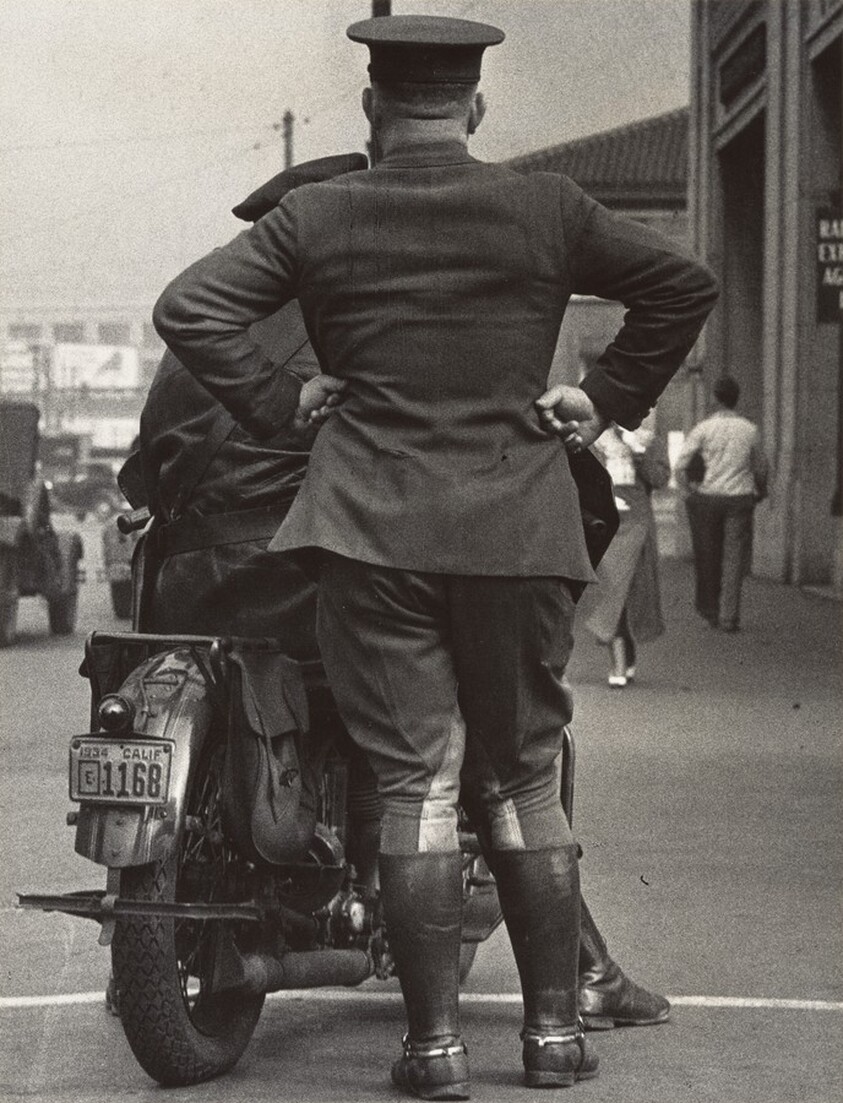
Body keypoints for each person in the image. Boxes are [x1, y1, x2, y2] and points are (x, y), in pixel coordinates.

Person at [152, 15, 718, 1096]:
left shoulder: (319, 212)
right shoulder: (547, 206)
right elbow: (681, 285)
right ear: (475, 108)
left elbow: (191, 308)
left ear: (371, 110)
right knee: (523, 776)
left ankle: (434, 1050)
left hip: (370, 527)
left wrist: (287, 402)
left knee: (418, 778)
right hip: (515, 528)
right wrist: (600, 400)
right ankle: (554, 1040)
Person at [674, 375, 768, 632]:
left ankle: (711, 610)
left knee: (708, 555)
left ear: (715, 399)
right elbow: (760, 468)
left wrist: (687, 491)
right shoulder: (750, 430)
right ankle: (729, 616)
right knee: (734, 558)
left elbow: (681, 465)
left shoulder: (703, 429)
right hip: (739, 498)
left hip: (708, 498)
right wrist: (761, 490)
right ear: (737, 399)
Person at [578, 423, 670, 686]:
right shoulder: (593, 438)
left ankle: (627, 652)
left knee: (633, 591)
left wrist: (638, 454)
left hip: (637, 522)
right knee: (611, 591)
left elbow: (660, 479)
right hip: (605, 522)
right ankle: (617, 663)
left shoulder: (649, 441)